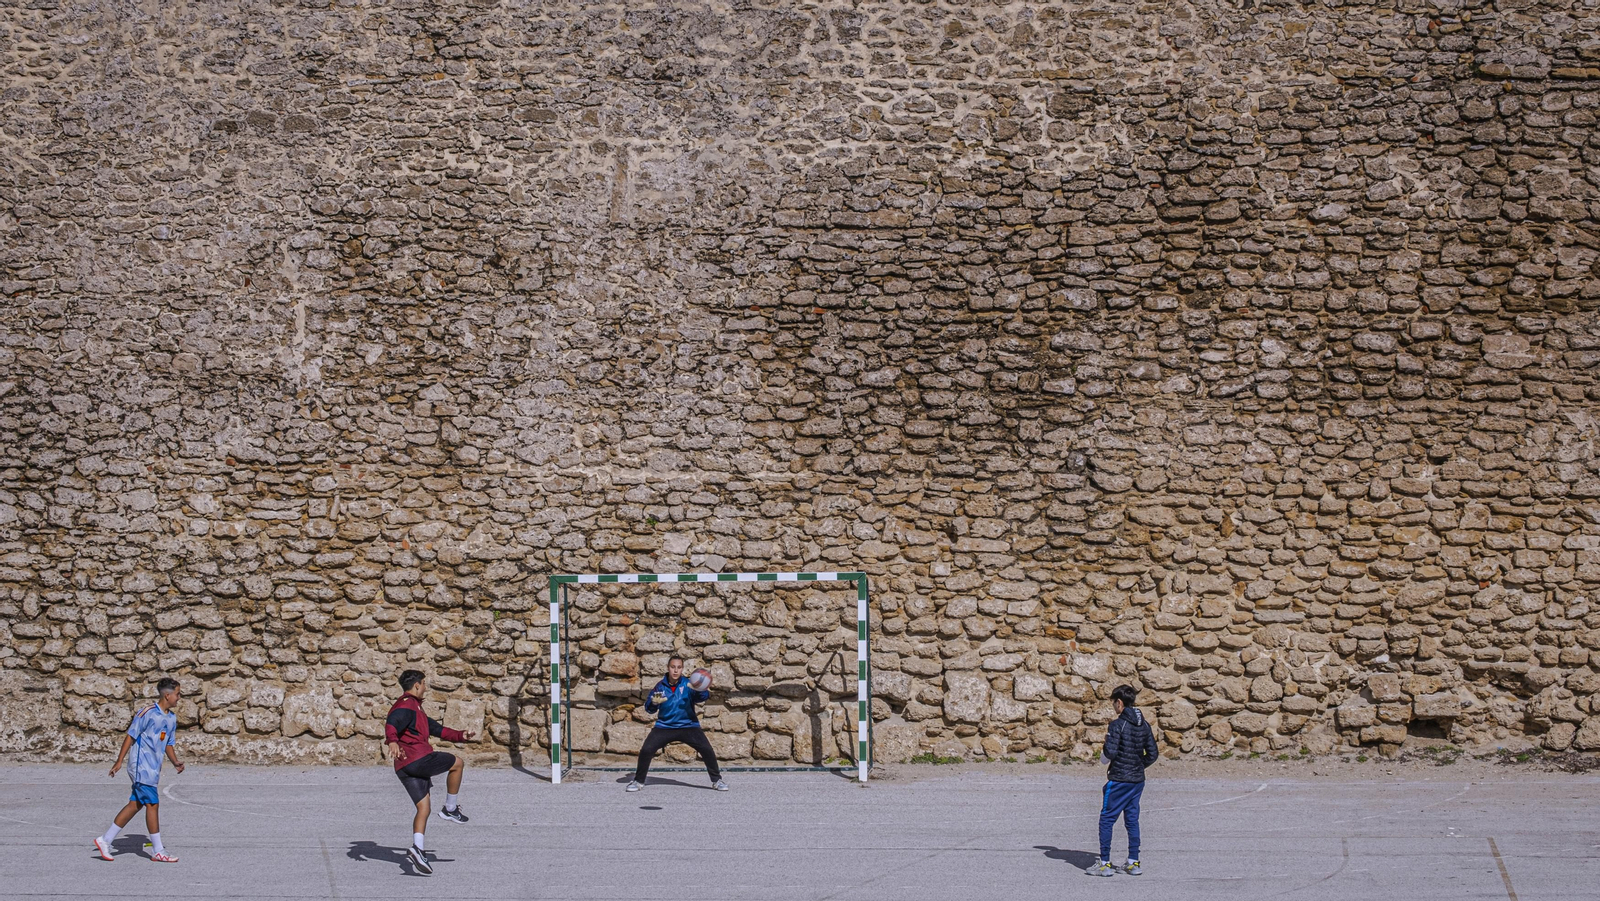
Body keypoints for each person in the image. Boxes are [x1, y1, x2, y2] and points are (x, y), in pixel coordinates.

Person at [385, 669, 475, 876]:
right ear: (416, 685)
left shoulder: (416, 709)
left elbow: (437, 730)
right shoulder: (406, 705)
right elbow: (392, 723)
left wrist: (461, 735)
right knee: (457, 763)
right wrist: (392, 740)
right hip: (418, 759)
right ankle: (450, 809)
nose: (426, 687)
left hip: (404, 767)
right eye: (424, 684)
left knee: (423, 808)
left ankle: (418, 849)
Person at [95, 677, 185, 863]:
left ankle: (105, 840)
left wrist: (175, 761)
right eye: (177, 694)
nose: (179, 697)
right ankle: (158, 850)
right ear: (167, 695)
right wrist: (119, 761)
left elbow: (167, 742)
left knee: (135, 804)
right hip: (140, 766)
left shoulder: (171, 718)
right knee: (152, 803)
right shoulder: (148, 713)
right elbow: (131, 735)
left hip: (153, 768)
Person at [1085, 684, 1159, 877]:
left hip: (1119, 779)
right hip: (1137, 781)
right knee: (1132, 820)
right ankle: (1133, 862)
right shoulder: (1144, 725)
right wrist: (1137, 766)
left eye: (1113, 703)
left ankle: (1104, 863)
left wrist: (1106, 761)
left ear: (1119, 703)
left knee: (1107, 819)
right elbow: (1153, 754)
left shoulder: (1117, 725)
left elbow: (1110, 752)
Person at [627, 657, 727, 792]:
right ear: (668, 668)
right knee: (646, 750)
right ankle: (638, 781)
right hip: (664, 726)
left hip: (688, 725)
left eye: (679, 667)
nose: (675, 670)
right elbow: (649, 709)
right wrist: (653, 703)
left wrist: (699, 689)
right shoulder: (660, 686)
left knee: (707, 749)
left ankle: (717, 781)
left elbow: (702, 697)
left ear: (682, 669)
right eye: (673, 667)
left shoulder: (688, 683)